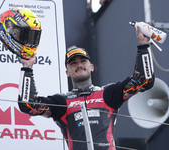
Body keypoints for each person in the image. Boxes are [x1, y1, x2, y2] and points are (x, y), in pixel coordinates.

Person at [17, 27, 154, 149]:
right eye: (73, 63)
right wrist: (27, 67)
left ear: (92, 67)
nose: (79, 65)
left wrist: (143, 45)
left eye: (83, 61)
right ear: (67, 72)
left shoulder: (107, 93)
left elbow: (144, 80)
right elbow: (29, 105)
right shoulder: (61, 102)